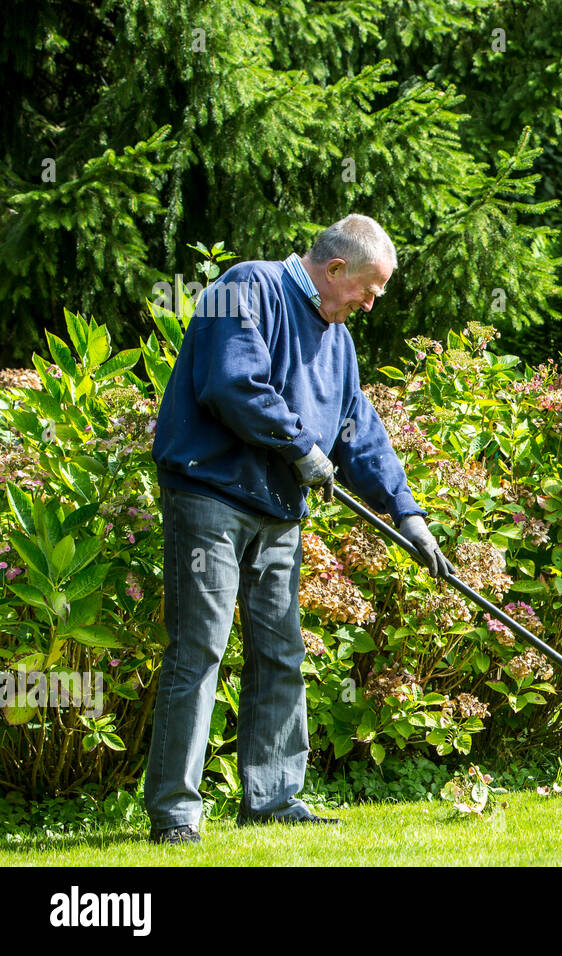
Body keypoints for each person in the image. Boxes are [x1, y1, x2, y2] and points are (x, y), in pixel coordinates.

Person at [146, 214, 453, 844]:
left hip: (279, 510)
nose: (372, 303)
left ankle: (273, 797)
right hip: (211, 495)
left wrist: (408, 512)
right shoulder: (247, 288)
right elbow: (232, 385)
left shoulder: (338, 339)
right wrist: (299, 447)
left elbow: (356, 428)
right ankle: (176, 810)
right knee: (200, 648)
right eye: (370, 288)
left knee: (280, 652)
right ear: (336, 269)